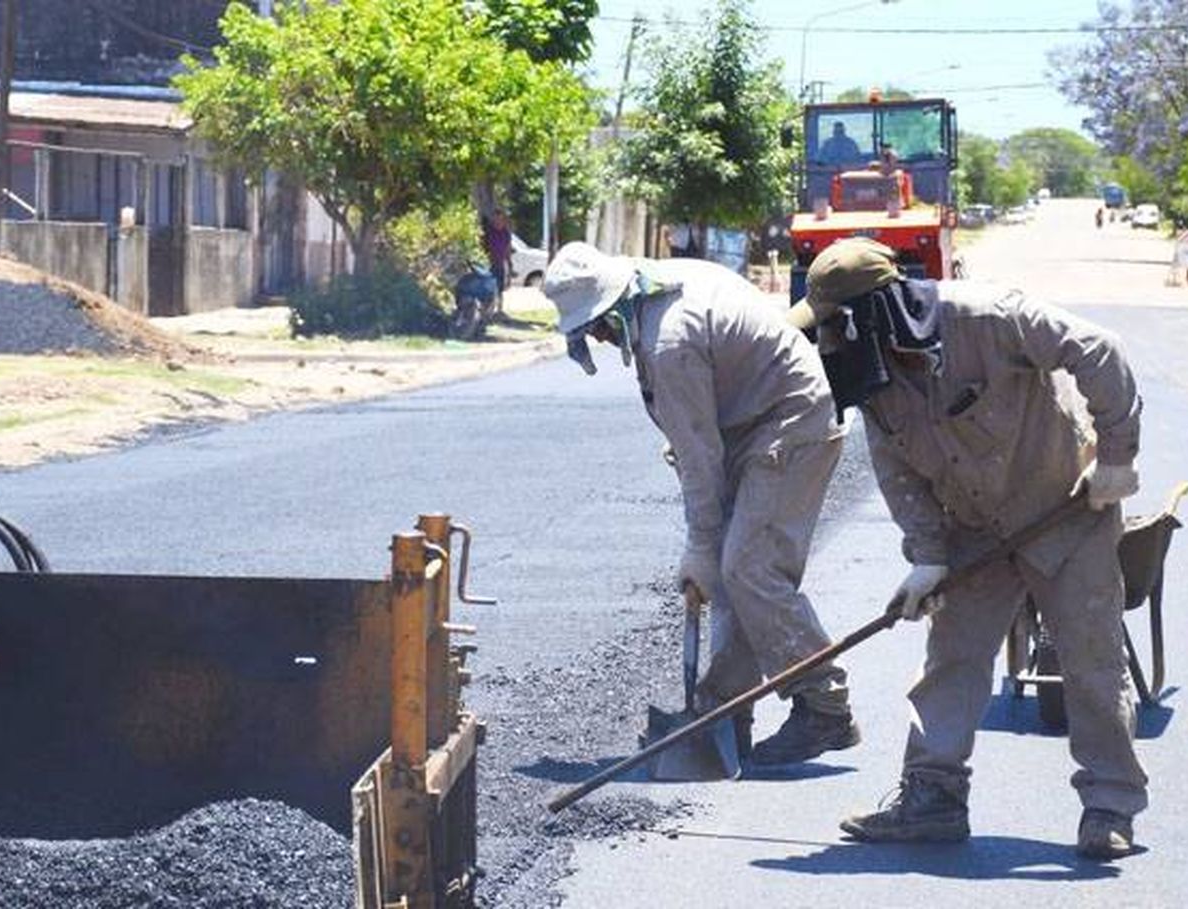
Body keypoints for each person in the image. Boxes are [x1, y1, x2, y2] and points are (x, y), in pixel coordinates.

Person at [785, 238, 1148, 861]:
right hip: (975, 528)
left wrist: (1117, 458)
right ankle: (932, 798)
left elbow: (1099, 350)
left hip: (1065, 509)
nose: (829, 342)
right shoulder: (870, 372)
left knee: (1090, 662)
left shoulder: (986, 318)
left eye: (836, 324)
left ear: (874, 311)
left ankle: (1109, 806)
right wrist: (927, 556)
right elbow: (896, 468)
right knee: (951, 658)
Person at [544, 241, 858, 765]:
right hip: (752, 424)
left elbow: (698, 458)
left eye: (595, 326)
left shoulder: (670, 342)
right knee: (736, 571)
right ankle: (724, 711)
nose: (596, 338)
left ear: (613, 306)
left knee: (749, 568)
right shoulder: (664, 285)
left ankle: (824, 705)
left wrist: (700, 544)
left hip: (788, 425)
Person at [481, 207, 513, 310]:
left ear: (503, 221)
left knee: (500, 286)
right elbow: (484, 246)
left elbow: (508, 249)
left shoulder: (506, 233)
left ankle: (500, 308)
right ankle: (488, 308)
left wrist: (509, 263)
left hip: (500, 263)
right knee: (488, 286)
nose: (498, 222)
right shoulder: (489, 232)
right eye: (495, 220)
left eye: (500, 220)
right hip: (489, 262)